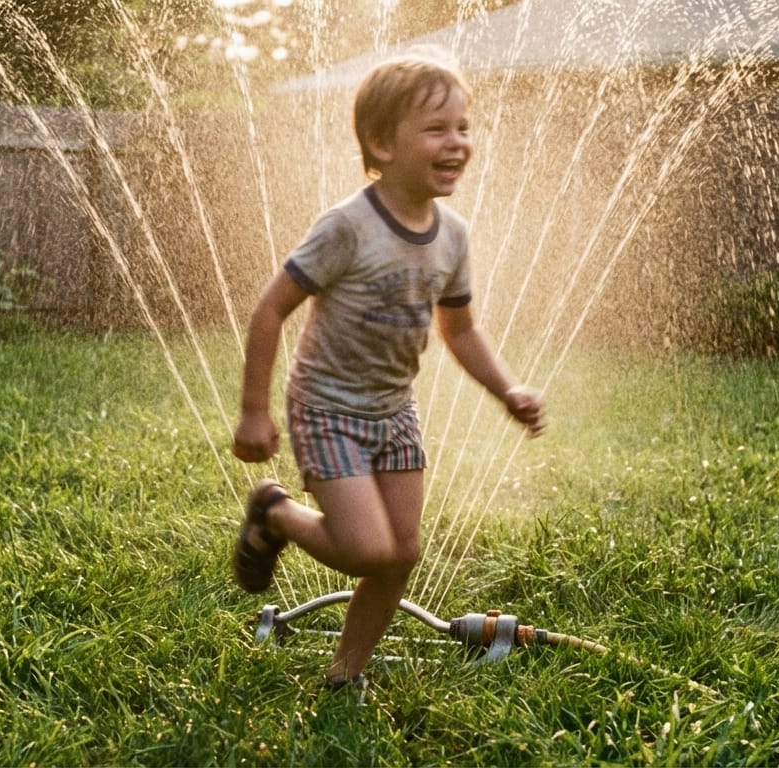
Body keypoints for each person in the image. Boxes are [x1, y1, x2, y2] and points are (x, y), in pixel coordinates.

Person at [230, 47, 545, 692]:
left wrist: (507, 389)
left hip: (394, 411)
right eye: (435, 129)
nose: (456, 142)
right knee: (367, 550)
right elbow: (270, 310)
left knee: (401, 553)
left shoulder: (453, 236)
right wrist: (255, 411)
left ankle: (346, 673)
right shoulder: (347, 226)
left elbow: (460, 330)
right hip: (326, 407)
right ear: (381, 141)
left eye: (463, 126)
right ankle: (278, 515)